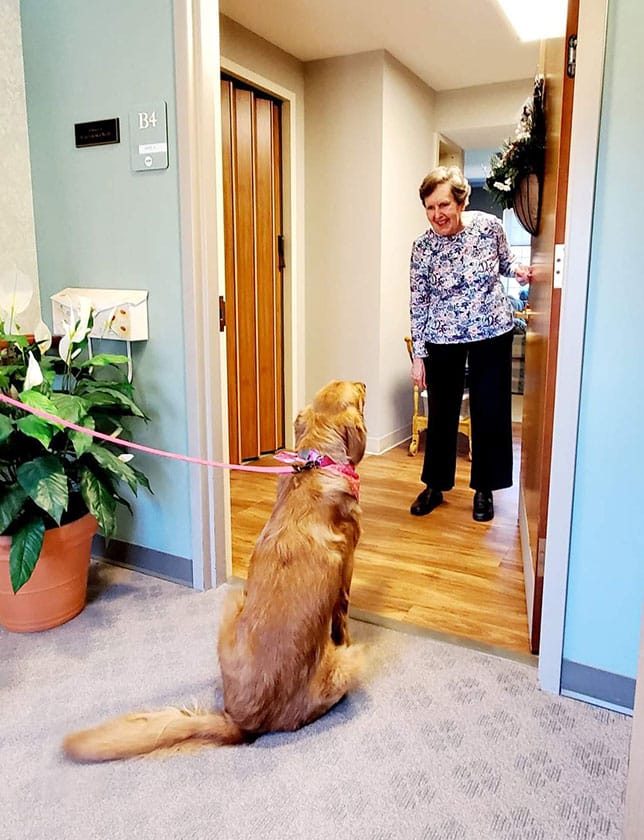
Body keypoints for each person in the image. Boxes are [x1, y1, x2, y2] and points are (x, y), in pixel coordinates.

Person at [408, 165, 531, 522]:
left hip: (491, 329)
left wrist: (520, 270)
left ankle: (485, 489)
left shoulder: (488, 227)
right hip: (443, 335)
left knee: (490, 409)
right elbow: (419, 301)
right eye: (430, 208)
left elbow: (506, 263)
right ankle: (435, 485)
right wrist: (420, 354)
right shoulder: (422, 248)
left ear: (461, 202)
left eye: (443, 205)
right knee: (442, 410)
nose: (437, 215)